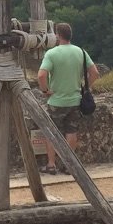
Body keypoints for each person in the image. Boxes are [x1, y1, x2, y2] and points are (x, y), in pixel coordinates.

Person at [34, 23, 97, 173]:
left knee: (51, 132)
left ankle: (51, 164)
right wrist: (85, 88)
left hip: (56, 100)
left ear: (57, 35)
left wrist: (45, 90)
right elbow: (94, 73)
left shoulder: (52, 53)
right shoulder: (81, 52)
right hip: (75, 100)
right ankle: (70, 165)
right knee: (71, 131)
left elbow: (41, 75)